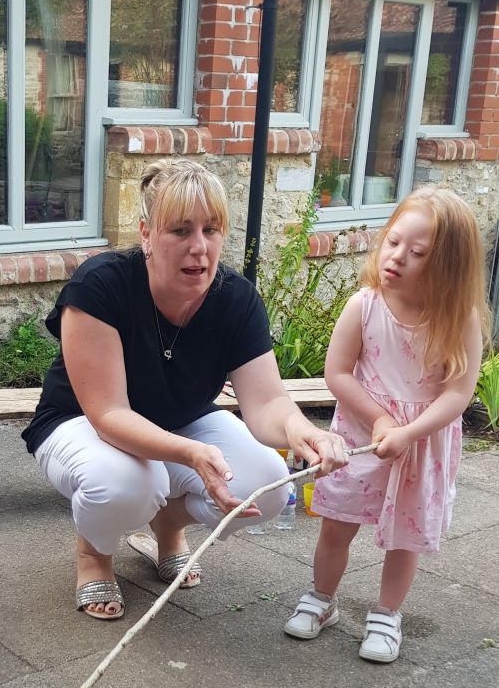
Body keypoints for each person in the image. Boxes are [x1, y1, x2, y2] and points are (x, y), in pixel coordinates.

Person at [21, 157, 348, 620]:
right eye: (180, 231)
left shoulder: (236, 299)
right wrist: (190, 454)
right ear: (146, 235)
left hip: (183, 419)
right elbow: (108, 413)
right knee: (129, 484)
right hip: (80, 423)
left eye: (211, 230)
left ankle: (168, 524)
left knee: (270, 487)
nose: (199, 247)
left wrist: (302, 432)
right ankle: (93, 553)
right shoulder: (100, 287)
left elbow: (268, 402)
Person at [284, 186, 489, 663]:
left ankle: (386, 614)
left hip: (421, 444)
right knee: (336, 524)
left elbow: (458, 393)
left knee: (405, 536)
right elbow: (337, 373)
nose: (396, 256)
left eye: (417, 252)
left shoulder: (459, 321)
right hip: (360, 432)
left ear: (448, 267)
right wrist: (379, 418)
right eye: (393, 241)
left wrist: (409, 433)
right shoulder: (365, 305)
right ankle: (321, 598)